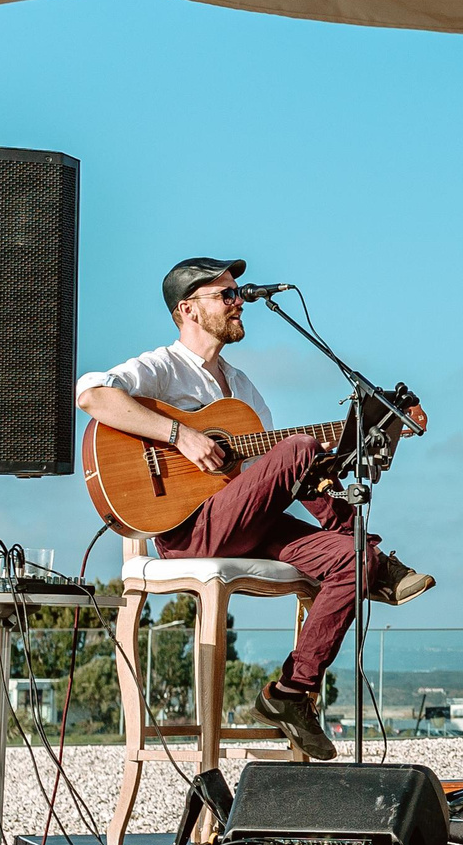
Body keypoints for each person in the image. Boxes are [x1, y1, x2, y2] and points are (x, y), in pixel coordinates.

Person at [75, 258, 430, 763]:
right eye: (227, 295)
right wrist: (181, 434)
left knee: (354, 560)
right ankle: (379, 558)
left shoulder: (240, 386)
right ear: (188, 310)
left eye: (238, 293)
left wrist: (367, 436)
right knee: (299, 446)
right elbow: (91, 395)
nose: (240, 302)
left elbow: (287, 470)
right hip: (188, 530)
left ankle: (289, 691)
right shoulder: (162, 367)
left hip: (246, 521)